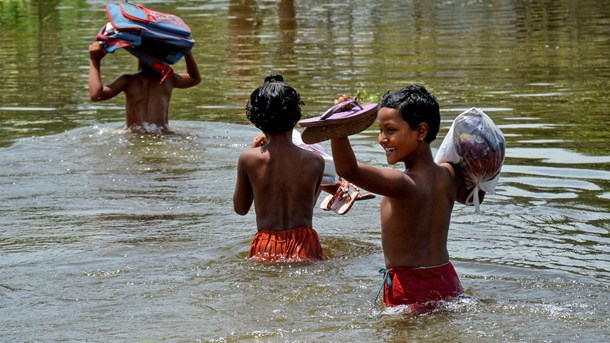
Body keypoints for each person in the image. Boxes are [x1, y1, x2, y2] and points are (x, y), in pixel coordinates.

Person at [329, 84, 483, 313]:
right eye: (380, 130)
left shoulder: (402, 184)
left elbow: (349, 170)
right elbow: (475, 196)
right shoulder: (450, 175)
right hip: (447, 281)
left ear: (421, 131)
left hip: (409, 288)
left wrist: (338, 124)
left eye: (390, 130)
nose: (382, 139)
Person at [233, 74, 325, 262]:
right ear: (297, 114)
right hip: (305, 245)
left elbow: (240, 208)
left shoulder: (248, 159)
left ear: (256, 118)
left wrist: (254, 152)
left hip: (266, 244)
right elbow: (309, 205)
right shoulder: (315, 160)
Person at [88, 41, 201, 133]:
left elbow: (96, 95)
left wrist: (94, 60)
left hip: (134, 136)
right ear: (165, 57)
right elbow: (194, 78)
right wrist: (187, 52)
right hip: (162, 135)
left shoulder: (128, 81)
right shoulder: (168, 80)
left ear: (137, 55)